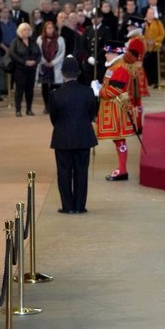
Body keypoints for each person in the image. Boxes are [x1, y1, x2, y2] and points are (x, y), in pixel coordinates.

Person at [48, 57, 97, 213]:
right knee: (82, 173)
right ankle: (80, 206)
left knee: (63, 173)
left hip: (62, 137)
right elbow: (92, 114)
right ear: (78, 74)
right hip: (83, 136)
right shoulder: (88, 92)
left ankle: (67, 206)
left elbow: (53, 118)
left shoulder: (55, 94)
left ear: (63, 74)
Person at [93, 38, 144, 181]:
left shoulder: (120, 68)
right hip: (113, 107)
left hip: (117, 108)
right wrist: (100, 87)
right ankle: (121, 169)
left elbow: (114, 90)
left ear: (115, 53)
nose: (105, 55)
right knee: (118, 140)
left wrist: (98, 91)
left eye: (107, 53)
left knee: (119, 140)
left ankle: (122, 170)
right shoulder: (114, 67)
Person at [9, 23, 41, 117]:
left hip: (32, 69)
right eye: (24, 30)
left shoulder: (33, 41)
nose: (26, 32)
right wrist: (24, 62)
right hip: (20, 69)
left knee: (30, 90)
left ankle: (29, 109)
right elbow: (12, 54)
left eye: (27, 30)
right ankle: (18, 110)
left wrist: (35, 61)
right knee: (19, 90)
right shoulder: (15, 42)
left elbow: (39, 54)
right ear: (20, 31)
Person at [36, 20, 66, 113]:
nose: (50, 30)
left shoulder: (60, 39)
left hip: (56, 66)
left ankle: (56, 106)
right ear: (45, 29)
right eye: (48, 28)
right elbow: (38, 52)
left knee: (56, 87)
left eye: (51, 27)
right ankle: (47, 106)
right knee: (45, 87)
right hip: (44, 65)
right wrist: (44, 61)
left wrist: (53, 62)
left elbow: (62, 53)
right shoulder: (40, 39)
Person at [142, 7, 165, 89]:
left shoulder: (158, 22)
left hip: (155, 48)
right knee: (146, 65)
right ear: (146, 14)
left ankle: (155, 81)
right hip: (145, 48)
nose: (151, 15)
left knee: (154, 65)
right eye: (149, 13)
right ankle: (147, 81)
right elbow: (140, 34)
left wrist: (155, 40)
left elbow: (162, 34)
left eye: (152, 13)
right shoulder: (143, 23)